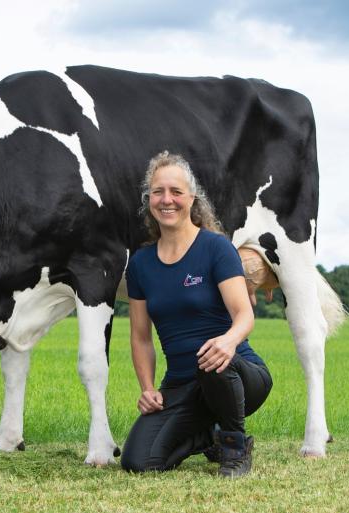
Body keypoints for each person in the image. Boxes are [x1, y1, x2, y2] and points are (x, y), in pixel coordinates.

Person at [120, 152, 273, 477]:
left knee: (212, 363)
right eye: (158, 192)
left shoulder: (216, 249)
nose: (167, 200)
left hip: (238, 375)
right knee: (138, 462)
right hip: (181, 385)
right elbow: (140, 336)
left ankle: (234, 447)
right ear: (149, 199)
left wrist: (228, 342)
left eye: (176, 191)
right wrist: (147, 388)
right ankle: (208, 436)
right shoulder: (140, 265)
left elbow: (243, 316)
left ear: (192, 198)